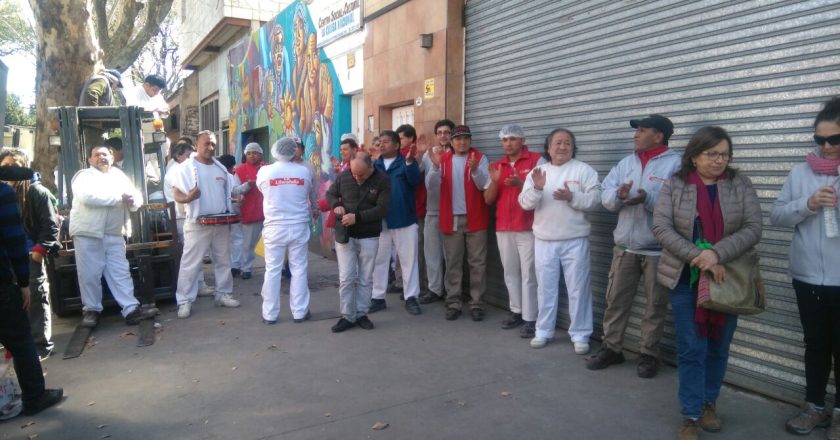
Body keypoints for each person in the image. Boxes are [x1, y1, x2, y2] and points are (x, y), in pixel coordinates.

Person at [652, 126, 762, 440]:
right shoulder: (676, 184)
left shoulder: (739, 184)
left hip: (726, 277)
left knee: (718, 347)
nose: (719, 161)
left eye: (724, 155)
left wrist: (716, 254)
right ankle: (690, 414)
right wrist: (696, 257)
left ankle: (708, 402)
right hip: (686, 278)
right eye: (711, 154)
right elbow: (661, 227)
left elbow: (754, 227)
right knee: (691, 348)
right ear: (695, 156)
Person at [587, 115, 681, 378]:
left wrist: (646, 198)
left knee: (655, 305)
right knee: (615, 300)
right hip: (625, 247)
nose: (635, 135)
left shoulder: (676, 165)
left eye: (642, 130)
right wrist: (618, 196)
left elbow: (680, 204)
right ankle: (612, 348)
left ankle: (648, 354)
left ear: (659, 136)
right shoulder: (626, 163)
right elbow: (605, 193)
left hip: (658, 250)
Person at [772, 97, 840, 437]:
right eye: (819, 140)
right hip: (809, 277)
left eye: (834, 139)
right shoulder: (800, 173)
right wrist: (808, 203)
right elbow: (777, 215)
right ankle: (814, 406)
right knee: (815, 344)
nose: (826, 146)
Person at [519, 128, 601, 353]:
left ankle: (581, 334)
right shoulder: (538, 172)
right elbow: (525, 203)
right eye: (558, 142)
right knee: (546, 289)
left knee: (578, 289)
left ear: (573, 147)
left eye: (567, 143)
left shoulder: (584, 170)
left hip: (575, 240)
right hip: (544, 240)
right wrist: (537, 188)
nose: (562, 147)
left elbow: (595, 200)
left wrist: (572, 197)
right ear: (548, 147)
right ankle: (543, 331)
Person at [70, 145, 158, 327]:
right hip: (88, 232)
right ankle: (91, 310)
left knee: (120, 272)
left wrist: (134, 200)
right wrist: (119, 198)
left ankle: (131, 309)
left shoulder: (119, 175)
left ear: (111, 157)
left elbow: (136, 195)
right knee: (89, 274)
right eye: (97, 155)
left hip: (114, 232)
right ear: (90, 160)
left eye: (105, 154)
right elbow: (88, 197)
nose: (101, 157)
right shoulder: (84, 176)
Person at [0, 171, 63, 416]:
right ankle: (35, 397)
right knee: (20, 339)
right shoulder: (3, 194)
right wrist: (23, 282)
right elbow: (14, 242)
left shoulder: (35, 193)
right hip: (3, 285)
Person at [171, 131, 240, 318]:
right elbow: (176, 192)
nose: (210, 148)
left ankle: (223, 294)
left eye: (213, 144)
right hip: (197, 223)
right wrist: (187, 198)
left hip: (221, 222)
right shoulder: (186, 167)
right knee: (190, 264)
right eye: (206, 144)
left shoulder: (220, 169)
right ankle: (184, 301)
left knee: (224, 260)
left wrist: (234, 199)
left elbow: (228, 192)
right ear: (197, 144)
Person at [483, 124, 543, 338]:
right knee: (510, 273)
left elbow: (543, 194)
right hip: (503, 227)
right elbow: (488, 200)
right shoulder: (497, 166)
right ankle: (516, 311)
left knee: (529, 274)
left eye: (513, 139)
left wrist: (521, 184)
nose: (508, 143)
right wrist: (495, 182)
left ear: (522, 141)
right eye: (504, 139)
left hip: (527, 227)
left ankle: (531, 318)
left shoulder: (537, 161)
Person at [0, 149, 60, 359]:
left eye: (15, 167)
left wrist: (38, 252)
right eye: (5, 166)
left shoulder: (36, 192)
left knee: (36, 300)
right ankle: (16, 347)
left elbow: (50, 226)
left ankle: (40, 345)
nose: (10, 172)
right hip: (7, 261)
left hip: (29, 256)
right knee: (13, 304)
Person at [427, 125, 491, 321]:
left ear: (470, 140)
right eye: (457, 139)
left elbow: (485, 185)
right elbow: (430, 185)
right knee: (453, 262)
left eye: (465, 138)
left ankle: (477, 303)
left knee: (477, 263)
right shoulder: (443, 160)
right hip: (451, 218)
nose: (461, 142)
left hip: (475, 218)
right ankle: (453, 302)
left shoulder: (479, 158)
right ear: (451, 142)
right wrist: (435, 167)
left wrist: (475, 171)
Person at [325, 151, 391, 332]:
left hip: (369, 234)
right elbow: (330, 194)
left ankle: (362, 313)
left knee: (365, 277)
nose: (356, 177)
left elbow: (382, 209)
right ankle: (347, 316)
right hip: (346, 234)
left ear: (371, 167)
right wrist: (335, 205)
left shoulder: (382, 180)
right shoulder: (344, 176)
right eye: (354, 173)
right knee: (346, 278)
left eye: (361, 174)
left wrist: (358, 218)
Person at [257, 137, 317, 324]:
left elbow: (262, 190)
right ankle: (299, 312)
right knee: (299, 268)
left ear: (275, 151)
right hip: (298, 225)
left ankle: (269, 314)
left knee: (272, 270)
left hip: (274, 227)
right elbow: (309, 192)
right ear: (293, 151)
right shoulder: (303, 171)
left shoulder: (265, 171)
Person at [370, 130, 422, 315]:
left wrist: (409, 162)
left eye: (386, 142)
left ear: (396, 145)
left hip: (404, 219)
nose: (382, 145)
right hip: (381, 221)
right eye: (380, 142)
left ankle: (411, 298)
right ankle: (377, 297)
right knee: (379, 260)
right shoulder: (375, 166)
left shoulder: (406, 162)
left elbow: (415, 181)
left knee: (408, 261)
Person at [419, 119, 455, 304]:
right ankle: (434, 289)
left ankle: (452, 291)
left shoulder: (457, 154)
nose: (443, 135)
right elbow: (418, 176)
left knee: (451, 255)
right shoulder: (428, 154)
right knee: (431, 253)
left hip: (453, 212)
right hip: (432, 211)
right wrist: (417, 155)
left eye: (447, 132)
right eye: (439, 132)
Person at [396, 124, 431, 297]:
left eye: (401, 137)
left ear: (411, 139)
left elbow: (416, 176)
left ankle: (418, 287)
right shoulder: (397, 156)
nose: (399, 141)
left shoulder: (419, 154)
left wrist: (419, 156)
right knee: (403, 251)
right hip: (403, 210)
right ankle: (403, 283)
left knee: (417, 251)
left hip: (418, 208)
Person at [234, 143, 266, 280]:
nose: (252, 155)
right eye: (249, 153)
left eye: (255, 152)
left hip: (269, 211)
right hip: (250, 210)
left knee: (272, 243)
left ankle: (279, 268)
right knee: (249, 243)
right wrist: (248, 185)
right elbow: (235, 190)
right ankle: (246, 268)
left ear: (260, 154)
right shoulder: (240, 170)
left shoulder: (267, 168)